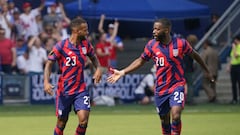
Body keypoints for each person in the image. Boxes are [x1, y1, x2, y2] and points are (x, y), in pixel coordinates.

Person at [107, 18, 214, 135]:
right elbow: (140, 61)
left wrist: (207, 71)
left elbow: (195, 55)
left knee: (176, 114)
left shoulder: (180, 43)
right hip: (161, 89)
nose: (154, 31)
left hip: (177, 85)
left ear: (166, 30)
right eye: (154, 29)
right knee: (164, 120)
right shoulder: (151, 45)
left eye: (157, 29)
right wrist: (123, 72)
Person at [44, 17, 102, 135]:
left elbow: (94, 58)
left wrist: (98, 69)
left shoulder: (86, 45)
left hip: (80, 90)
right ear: (76, 31)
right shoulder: (61, 46)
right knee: (61, 122)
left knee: (83, 120)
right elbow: (49, 63)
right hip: (64, 91)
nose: (87, 32)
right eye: (85, 30)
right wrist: (46, 82)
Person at [184, 34, 198, 105]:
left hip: (181, 69)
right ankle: (189, 100)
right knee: (190, 85)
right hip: (189, 70)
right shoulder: (193, 49)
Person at [226, 35, 240, 104]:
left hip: (239, 66)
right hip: (233, 67)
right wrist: (229, 66)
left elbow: (236, 56)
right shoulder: (234, 47)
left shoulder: (238, 47)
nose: (234, 41)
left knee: (239, 83)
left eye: (235, 40)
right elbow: (232, 58)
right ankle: (234, 99)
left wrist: (234, 48)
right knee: (233, 84)